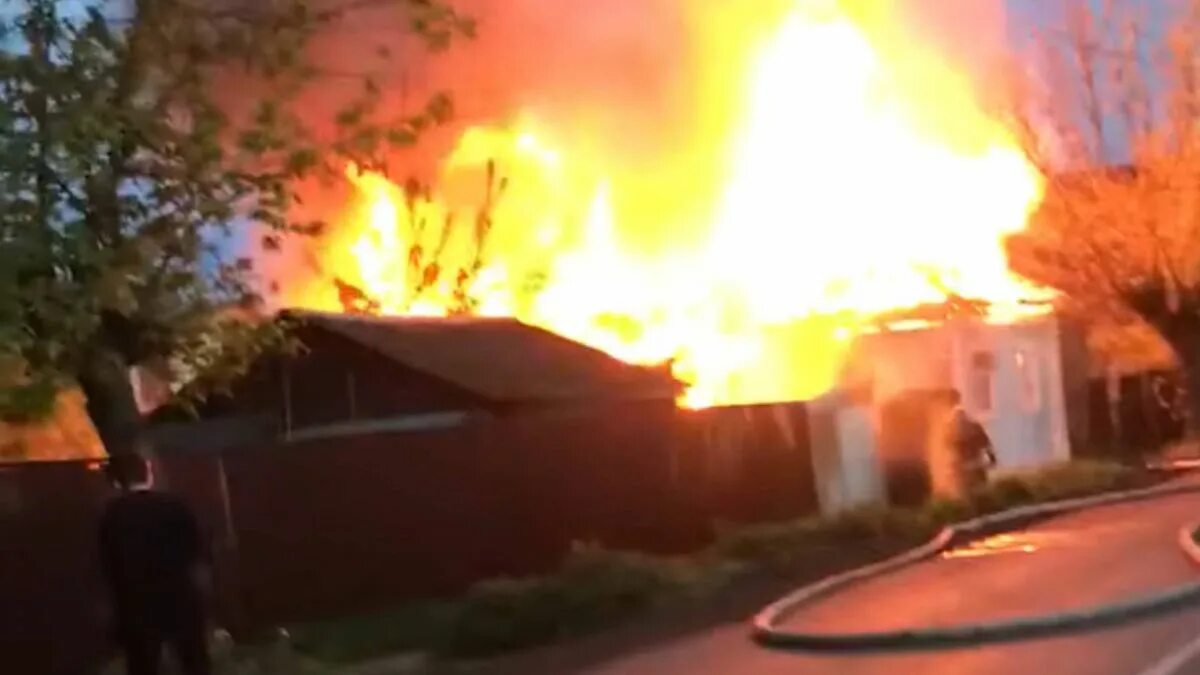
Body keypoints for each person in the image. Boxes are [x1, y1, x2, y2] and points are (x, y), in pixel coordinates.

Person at [99, 452, 211, 675]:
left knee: (143, 665)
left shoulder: (112, 517)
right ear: (148, 473)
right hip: (181, 598)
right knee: (194, 662)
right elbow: (197, 554)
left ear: (116, 482)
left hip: (137, 605)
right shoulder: (175, 506)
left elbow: (109, 568)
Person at [940, 390, 997, 495]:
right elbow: (987, 445)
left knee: (964, 495)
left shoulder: (949, 428)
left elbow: (946, 449)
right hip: (974, 467)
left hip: (962, 470)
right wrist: (992, 459)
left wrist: (948, 468)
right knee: (981, 493)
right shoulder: (974, 426)